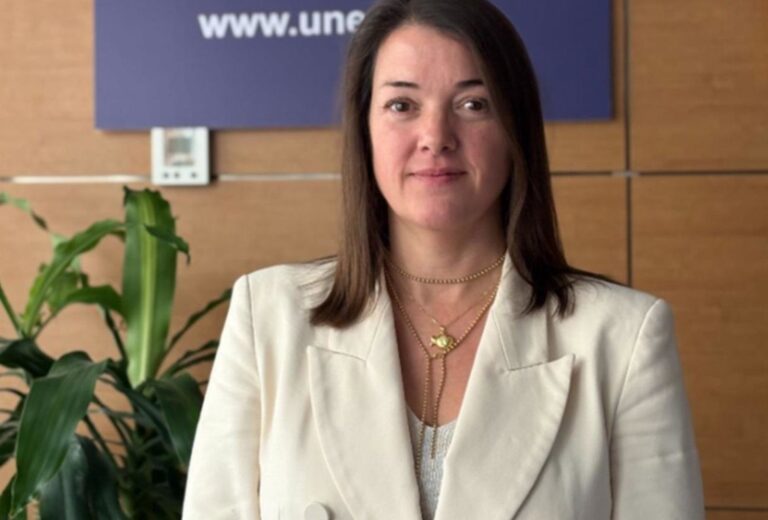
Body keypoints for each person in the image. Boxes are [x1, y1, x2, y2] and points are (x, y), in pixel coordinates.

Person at [183, 0, 705, 518]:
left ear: (516, 129)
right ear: (364, 129)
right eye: (402, 105)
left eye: (473, 104)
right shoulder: (267, 316)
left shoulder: (624, 337)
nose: (435, 137)